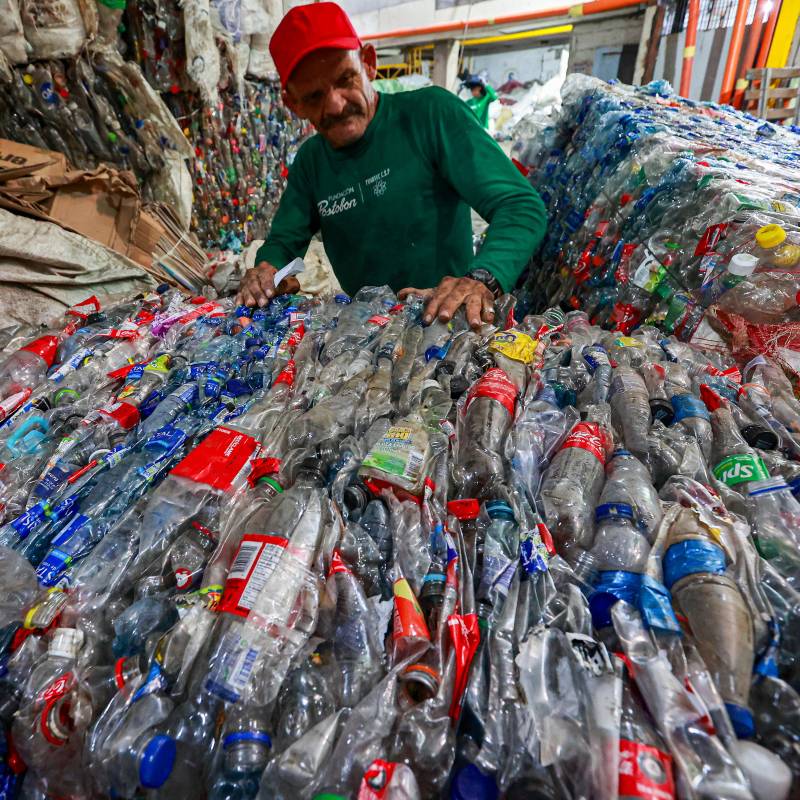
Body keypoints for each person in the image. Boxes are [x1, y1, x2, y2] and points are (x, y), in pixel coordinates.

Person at [236, 2, 547, 330]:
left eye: (345, 79)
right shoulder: (310, 162)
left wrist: (482, 278)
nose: (336, 104)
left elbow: (520, 206)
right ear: (292, 103)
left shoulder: (432, 115)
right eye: (314, 97)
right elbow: (284, 242)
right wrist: (266, 271)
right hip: (367, 334)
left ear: (368, 64)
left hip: (447, 324)